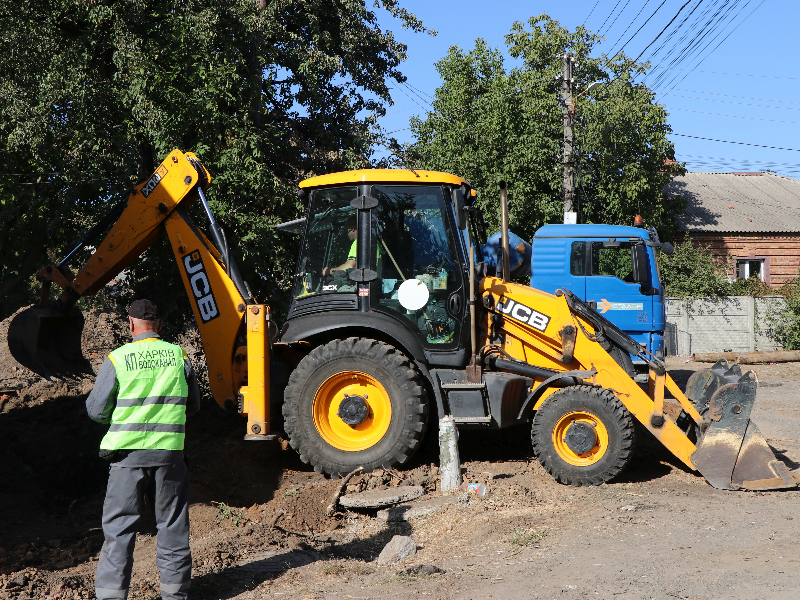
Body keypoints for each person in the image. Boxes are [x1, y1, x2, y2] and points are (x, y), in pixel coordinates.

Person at [86, 299, 201, 600]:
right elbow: (194, 405)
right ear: (159, 325)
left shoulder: (118, 358)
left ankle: (111, 597)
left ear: (131, 324)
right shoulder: (179, 355)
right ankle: (175, 596)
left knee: (119, 531)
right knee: (172, 527)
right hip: (170, 457)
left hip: (127, 458)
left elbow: (96, 411)